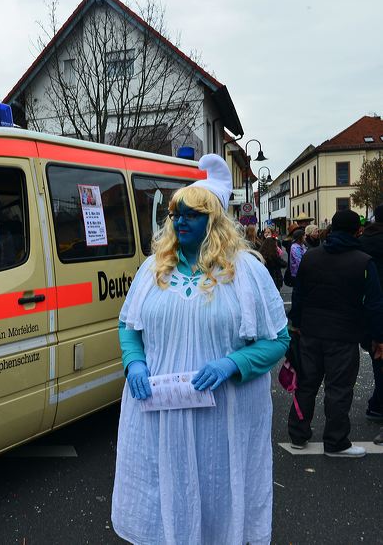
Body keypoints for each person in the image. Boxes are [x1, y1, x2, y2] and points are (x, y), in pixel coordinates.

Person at [112, 154, 289, 543]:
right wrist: (135, 363)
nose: (181, 221)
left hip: (223, 418)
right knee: (164, 497)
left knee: (216, 495)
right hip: (160, 416)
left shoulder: (246, 272)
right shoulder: (154, 269)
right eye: (176, 214)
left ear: (214, 219)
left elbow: (278, 340)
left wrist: (233, 363)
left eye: (192, 214)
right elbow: (129, 325)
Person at [288, 210, 383, 457]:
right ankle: (336, 441)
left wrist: (295, 323)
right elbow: (374, 304)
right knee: (338, 389)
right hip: (344, 334)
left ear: (330, 231)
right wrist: (378, 337)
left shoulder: (311, 257)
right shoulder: (363, 261)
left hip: (310, 330)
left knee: (306, 384)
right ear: (357, 231)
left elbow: (299, 294)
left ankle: (298, 434)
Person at [358, 204, 383, 424]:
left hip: (367, 308)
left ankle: (377, 404)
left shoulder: (362, 242)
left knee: (378, 356)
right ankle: (378, 404)